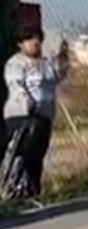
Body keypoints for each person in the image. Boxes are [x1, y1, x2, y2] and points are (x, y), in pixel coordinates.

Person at [2, 27, 69, 200]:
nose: (35, 43)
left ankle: (32, 190)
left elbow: (59, 75)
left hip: (44, 117)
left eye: (38, 39)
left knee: (37, 154)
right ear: (21, 44)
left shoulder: (45, 63)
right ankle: (14, 188)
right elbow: (16, 86)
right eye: (30, 39)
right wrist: (28, 103)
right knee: (23, 152)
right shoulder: (16, 63)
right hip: (22, 116)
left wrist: (63, 57)